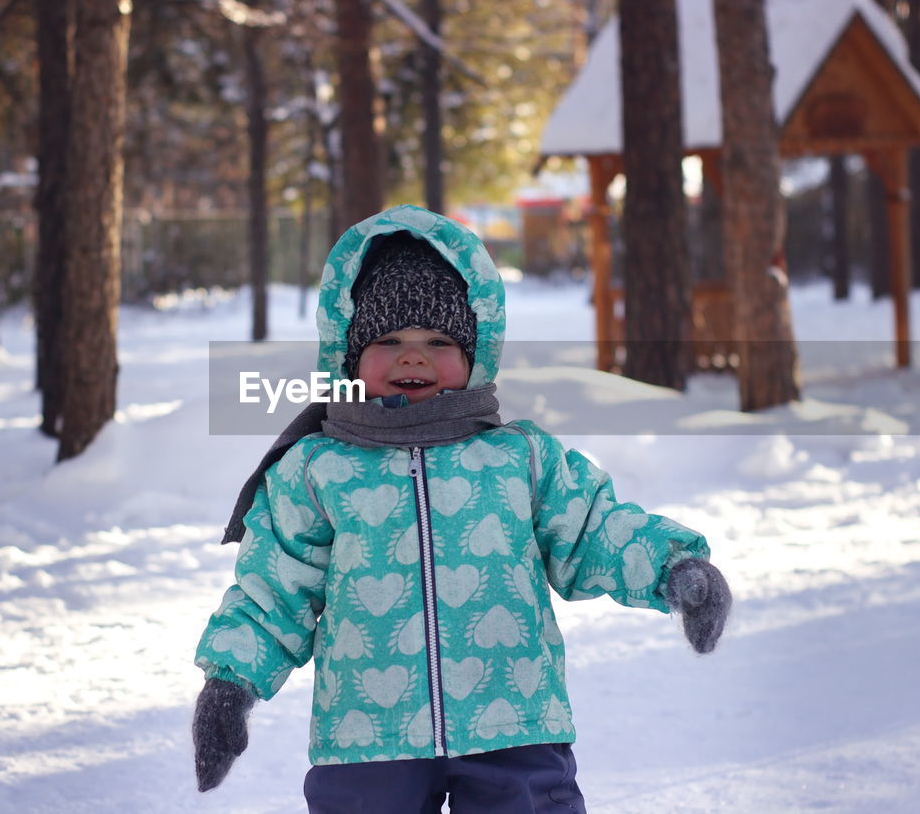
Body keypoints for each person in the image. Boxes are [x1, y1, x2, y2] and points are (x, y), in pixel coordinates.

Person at [192, 205, 731, 812]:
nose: (413, 357)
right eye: (389, 340)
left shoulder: (519, 458)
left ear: (475, 354)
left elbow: (594, 530)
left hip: (513, 718)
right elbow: (274, 589)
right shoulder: (318, 470)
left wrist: (674, 567)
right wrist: (230, 681)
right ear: (347, 356)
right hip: (369, 735)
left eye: (438, 341)